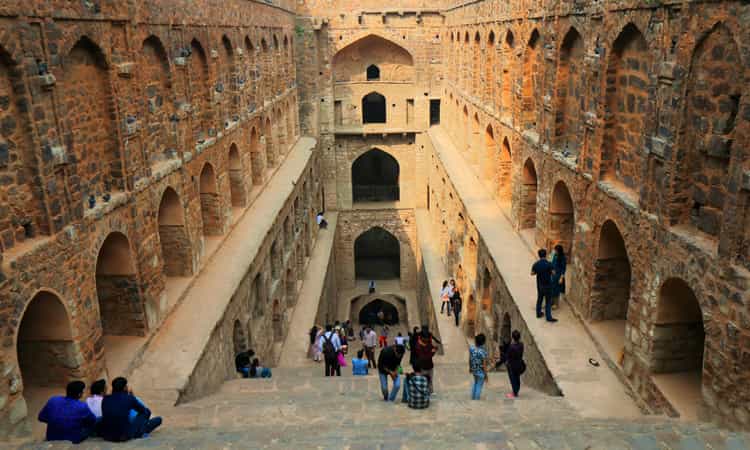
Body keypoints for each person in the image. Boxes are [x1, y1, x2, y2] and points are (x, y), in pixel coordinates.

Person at [101, 377, 162, 442]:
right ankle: (139, 432)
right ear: (124, 387)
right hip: (124, 436)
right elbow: (143, 410)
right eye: (126, 386)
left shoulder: (105, 399)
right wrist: (132, 397)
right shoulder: (129, 398)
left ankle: (140, 430)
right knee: (151, 414)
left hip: (107, 436)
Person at [531, 248, 557, 322]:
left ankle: (538, 313)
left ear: (539, 255)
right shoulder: (549, 264)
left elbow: (532, 273)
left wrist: (538, 271)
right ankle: (548, 317)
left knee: (539, 299)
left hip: (540, 285)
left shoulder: (536, 264)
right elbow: (553, 273)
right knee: (548, 301)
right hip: (548, 285)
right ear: (545, 255)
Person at [414, 327, 438, 394]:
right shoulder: (418, 346)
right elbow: (423, 357)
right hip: (423, 367)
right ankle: (423, 393)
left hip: (430, 365)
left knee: (430, 380)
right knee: (423, 381)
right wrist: (432, 352)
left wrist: (435, 348)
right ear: (422, 337)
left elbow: (431, 348)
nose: (427, 340)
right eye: (426, 338)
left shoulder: (428, 342)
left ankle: (431, 391)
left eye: (428, 338)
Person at [506, 330, 525, 398]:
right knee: (517, 378)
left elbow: (508, 356)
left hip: (512, 365)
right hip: (519, 364)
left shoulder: (511, 347)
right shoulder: (521, 344)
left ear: (513, 338)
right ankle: (516, 390)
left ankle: (514, 393)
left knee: (513, 379)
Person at [469, 334, 488, 400]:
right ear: (483, 342)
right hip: (481, 371)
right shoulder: (483, 352)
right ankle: (476, 399)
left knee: (475, 383)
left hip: (474, 369)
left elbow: (470, 359)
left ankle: (473, 397)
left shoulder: (471, 349)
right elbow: (484, 365)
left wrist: (470, 368)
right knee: (479, 386)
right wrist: (486, 375)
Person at [551, 244, 567, 309]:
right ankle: (551, 302)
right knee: (551, 289)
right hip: (553, 275)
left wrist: (561, 278)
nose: (555, 251)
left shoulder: (563, 258)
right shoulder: (555, 255)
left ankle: (556, 304)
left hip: (558, 275)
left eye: (556, 250)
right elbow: (552, 263)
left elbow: (564, 269)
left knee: (556, 290)